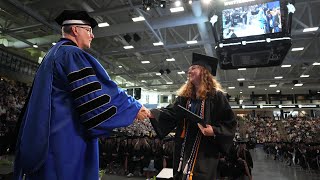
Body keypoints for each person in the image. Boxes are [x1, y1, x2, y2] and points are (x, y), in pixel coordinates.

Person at [13, 10, 150, 180]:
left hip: (49, 139)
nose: (92, 35)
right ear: (76, 30)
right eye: (89, 30)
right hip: (66, 142)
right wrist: (133, 107)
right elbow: (97, 93)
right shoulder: (72, 55)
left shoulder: (52, 54)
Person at [148, 53, 237, 180]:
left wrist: (214, 130)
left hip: (204, 152)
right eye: (190, 68)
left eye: (194, 67)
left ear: (204, 72)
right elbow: (172, 113)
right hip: (183, 150)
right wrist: (152, 113)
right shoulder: (184, 98)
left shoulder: (216, 96)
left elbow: (230, 123)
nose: (189, 70)